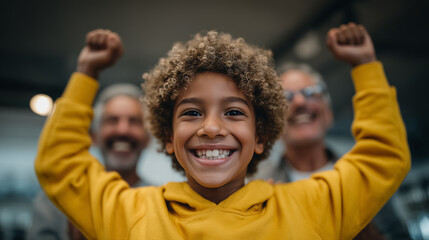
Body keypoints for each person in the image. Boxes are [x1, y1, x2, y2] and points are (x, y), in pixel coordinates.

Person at [34, 23, 410, 239]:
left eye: (233, 112)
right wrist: (85, 74)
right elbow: (59, 163)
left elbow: (383, 157)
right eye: (192, 112)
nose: (211, 128)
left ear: (260, 134)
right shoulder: (131, 211)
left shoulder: (309, 205)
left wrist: (365, 66)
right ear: (167, 135)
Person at [28, 82, 150, 240]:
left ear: (148, 139)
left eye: (134, 121)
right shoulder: (56, 202)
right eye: (112, 120)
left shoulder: (162, 204)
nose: (123, 130)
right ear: (94, 137)